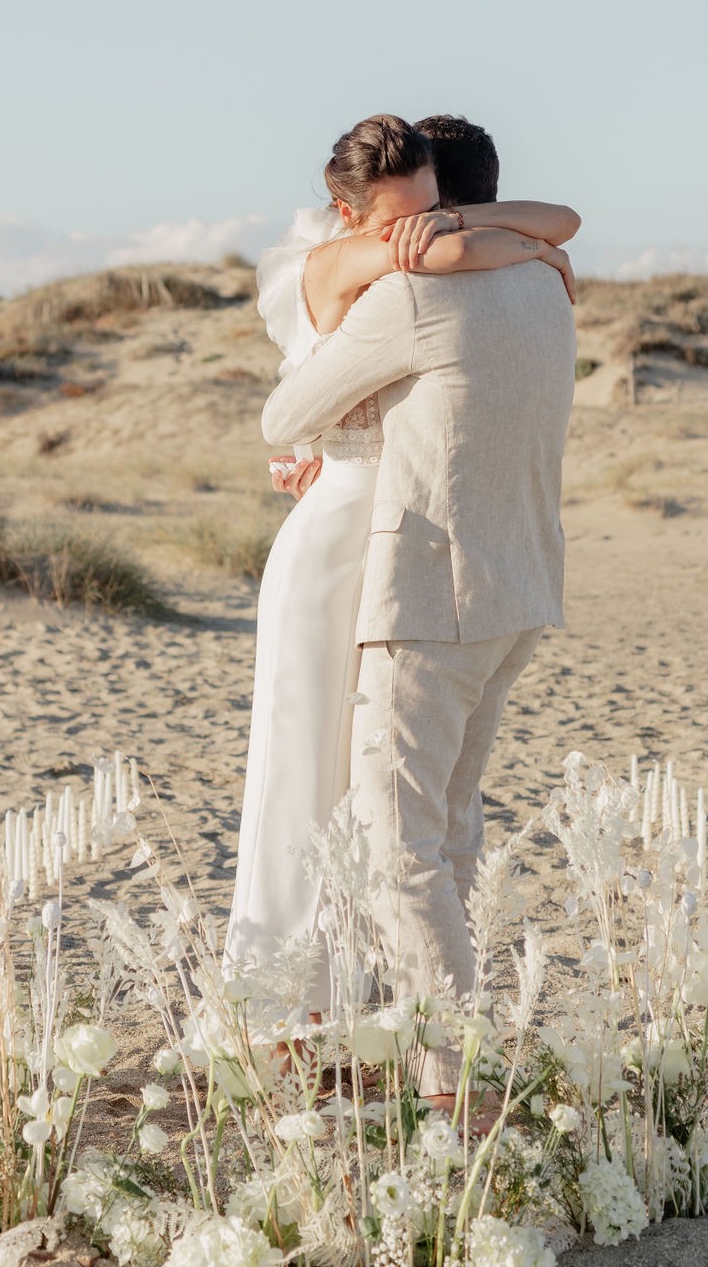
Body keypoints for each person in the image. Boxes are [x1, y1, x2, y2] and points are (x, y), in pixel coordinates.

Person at [224, 114, 578, 1013]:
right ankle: (293, 995)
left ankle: (384, 996)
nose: (414, 230)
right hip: (348, 532)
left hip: (404, 543)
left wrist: (493, 235)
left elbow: (560, 217)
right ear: (348, 214)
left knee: (388, 793)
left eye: (433, 211)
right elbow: (411, 279)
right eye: (396, 218)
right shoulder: (342, 263)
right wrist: (497, 244)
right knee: (311, 764)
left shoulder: (452, 252)